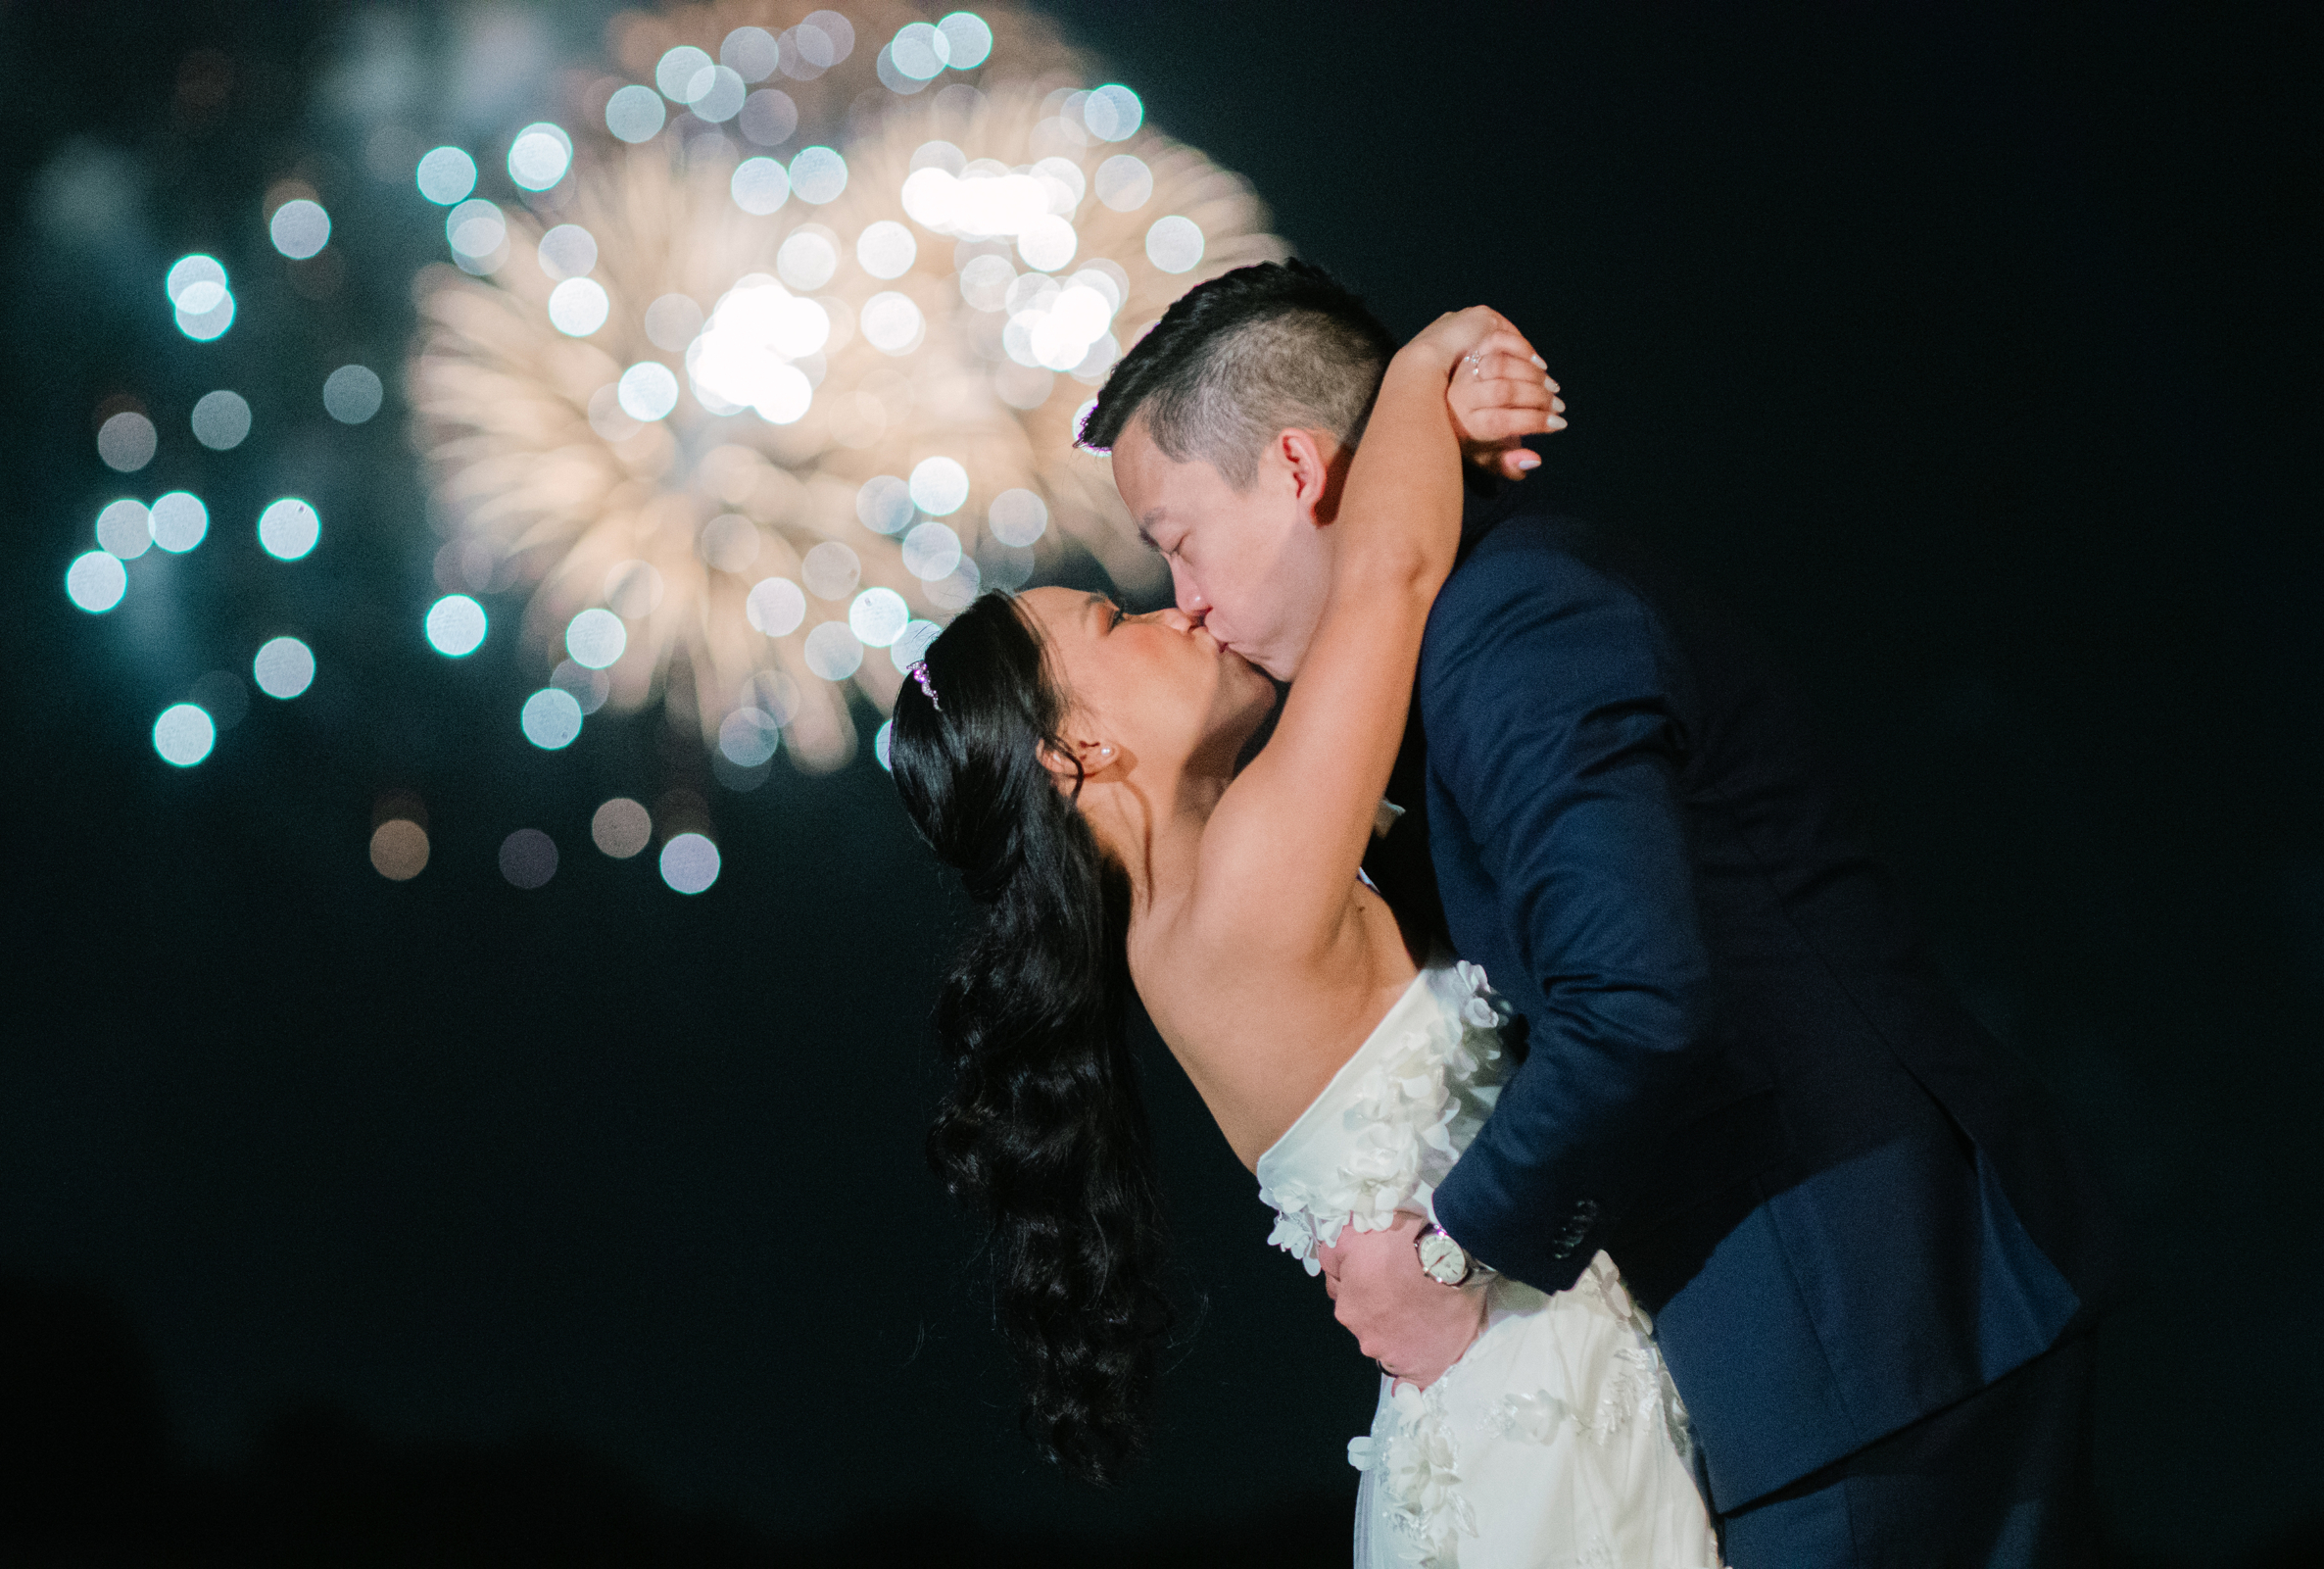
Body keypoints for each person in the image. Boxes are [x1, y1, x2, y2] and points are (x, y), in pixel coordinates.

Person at [1073, 260, 2123, 1565]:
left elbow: (1637, 1001)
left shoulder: (1514, 625)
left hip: (1870, 1322)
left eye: (1176, 541)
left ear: (1296, 468)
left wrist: (1451, 1249)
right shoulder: (1456, 650)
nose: (1188, 602)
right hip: (1830, 1343)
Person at [891, 303, 1722, 1567]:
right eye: (1117, 623)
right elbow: (1386, 577)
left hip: (1506, 1391)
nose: (1178, 612)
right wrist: (1422, 368)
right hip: (1528, 1403)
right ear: (1077, 750)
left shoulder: (1196, 912)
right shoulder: (1237, 894)